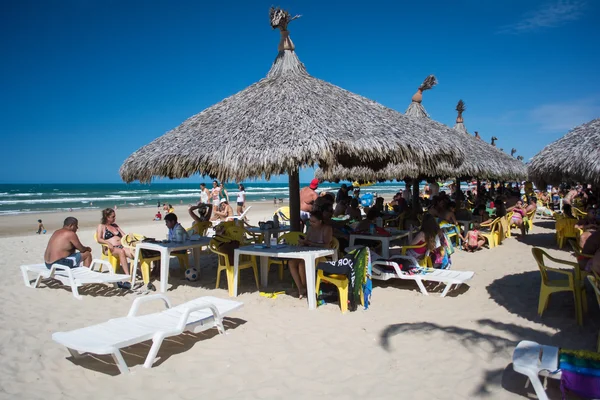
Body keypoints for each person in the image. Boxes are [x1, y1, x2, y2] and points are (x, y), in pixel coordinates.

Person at [288, 210, 332, 299]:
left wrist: (310, 243)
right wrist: (303, 242)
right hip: (308, 253)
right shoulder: (311, 228)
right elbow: (307, 241)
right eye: (310, 221)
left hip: (321, 255)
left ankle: (306, 288)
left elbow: (327, 245)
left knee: (302, 264)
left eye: (314, 222)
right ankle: (300, 287)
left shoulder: (326, 229)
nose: (311, 223)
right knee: (291, 263)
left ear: (320, 221)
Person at [96, 208, 132, 275]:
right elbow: (99, 239)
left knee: (133, 253)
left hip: (121, 246)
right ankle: (127, 274)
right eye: (113, 217)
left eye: (114, 216)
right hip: (110, 248)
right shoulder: (101, 226)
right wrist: (108, 243)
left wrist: (129, 237)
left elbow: (124, 235)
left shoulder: (115, 226)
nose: (114, 218)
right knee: (121, 252)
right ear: (107, 217)